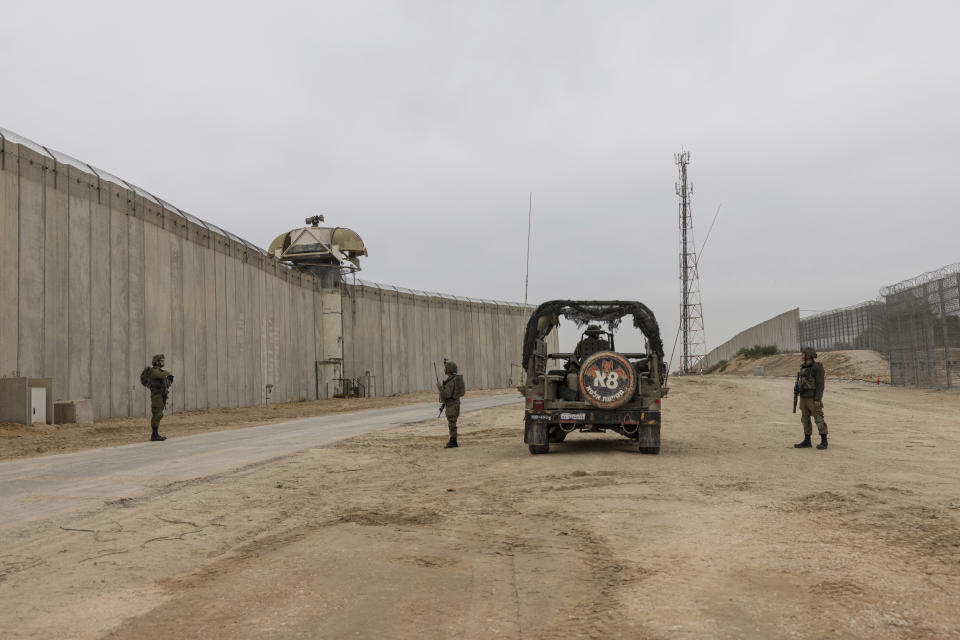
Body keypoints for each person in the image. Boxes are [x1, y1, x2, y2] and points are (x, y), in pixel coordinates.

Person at [794, 347, 828, 450]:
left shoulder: (817, 368)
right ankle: (807, 441)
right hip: (804, 398)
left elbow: (820, 384)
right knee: (805, 419)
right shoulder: (803, 367)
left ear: (808, 355)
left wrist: (817, 399)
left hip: (813, 398)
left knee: (818, 419)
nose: (801, 355)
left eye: (803, 354)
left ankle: (824, 441)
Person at [436, 361, 465, 448]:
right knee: (452, 423)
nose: (444, 369)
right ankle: (453, 440)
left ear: (449, 370)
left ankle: (453, 441)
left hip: (452, 406)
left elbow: (446, 394)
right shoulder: (454, 379)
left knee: (452, 423)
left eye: (446, 368)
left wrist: (440, 387)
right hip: (454, 405)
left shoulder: (451, 381)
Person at [147, 354, 174, 442]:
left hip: (161, 396)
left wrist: (169, 381)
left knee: (159, 414)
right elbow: (161, 376)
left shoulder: (159, 371)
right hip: (156, 396)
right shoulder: (154, 371)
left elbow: (165, 383)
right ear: (156, 362)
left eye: (163, 361)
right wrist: (167, 372)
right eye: (161, 361)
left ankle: (155, 434)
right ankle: (154, 435)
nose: (163, 362)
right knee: (157, 414)